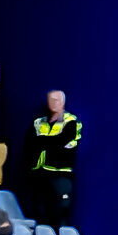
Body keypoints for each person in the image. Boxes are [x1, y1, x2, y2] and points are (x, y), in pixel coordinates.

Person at [25, 90, 80, 225]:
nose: (54, 103)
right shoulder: (39, 121)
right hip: (40, 174)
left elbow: (63, 141)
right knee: (39, 210)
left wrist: (43, 140)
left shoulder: (71, 121)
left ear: (63, 102)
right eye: (51, 99)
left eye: (57, 100)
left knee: (61, 209)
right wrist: (50, 141)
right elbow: (30, 142)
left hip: (60, 174)